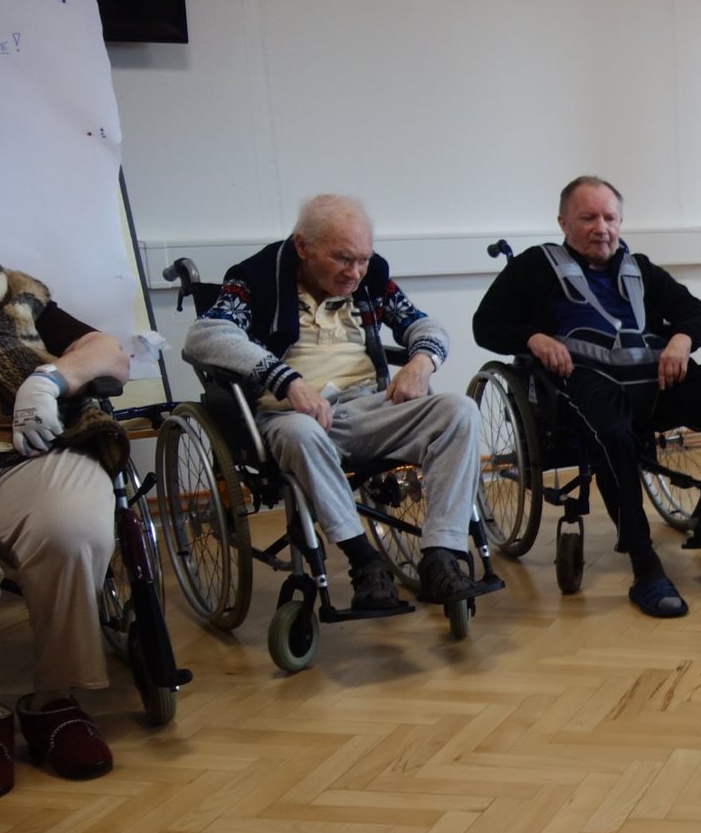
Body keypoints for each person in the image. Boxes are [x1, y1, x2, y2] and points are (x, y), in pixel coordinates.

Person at [474, 176, 701, 617]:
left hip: (655, 383)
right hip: (585, 383)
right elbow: (485, 325)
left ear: (621, 222)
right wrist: (533, 337)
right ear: (563, 222)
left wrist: (682, 339)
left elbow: (698, 313)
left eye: (610, 218)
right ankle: (644, 562)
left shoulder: (640, 268)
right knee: (612, 431)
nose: (602, 228)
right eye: (588, 218)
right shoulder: (537, 265)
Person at [184, 195, 489, 610]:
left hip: (368, 408)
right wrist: (285, 380)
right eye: (343, 259)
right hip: (293, 417)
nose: (355, 272)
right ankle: (364, 561)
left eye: (363, 259)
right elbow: (205, 336)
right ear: (303, 246)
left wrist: (422, 361)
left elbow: (422, 324)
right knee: (300, 432)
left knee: (459, 411)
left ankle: (441, 556)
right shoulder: (256, 279)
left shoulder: (371, 280)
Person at [0, 263, 130, 788]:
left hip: (29, 449)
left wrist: (48, 379)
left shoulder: (19, 297)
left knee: (73, 529)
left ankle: (54, 699)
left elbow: (108, 352)